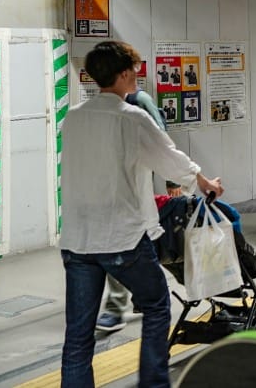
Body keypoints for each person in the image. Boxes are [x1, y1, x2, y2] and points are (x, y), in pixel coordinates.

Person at [59, 41, 223, 387]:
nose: (137, 75)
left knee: (77, 335)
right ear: (122, 74)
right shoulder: (131, 118)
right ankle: (154, 384)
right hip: (122, 238)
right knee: (156, 305)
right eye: (133, 70)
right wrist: (204, 182)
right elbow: (170, 159)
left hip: (77, 240)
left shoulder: (73, 117)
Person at [96, 87, 180, 334]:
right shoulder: (103, 104)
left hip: (135, 187)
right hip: (112, 187)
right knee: (129, 243)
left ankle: (116, 307)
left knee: (125, 242)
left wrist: (172, 179)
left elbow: (161, 139)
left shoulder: (139, 100)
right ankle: (144, 295)